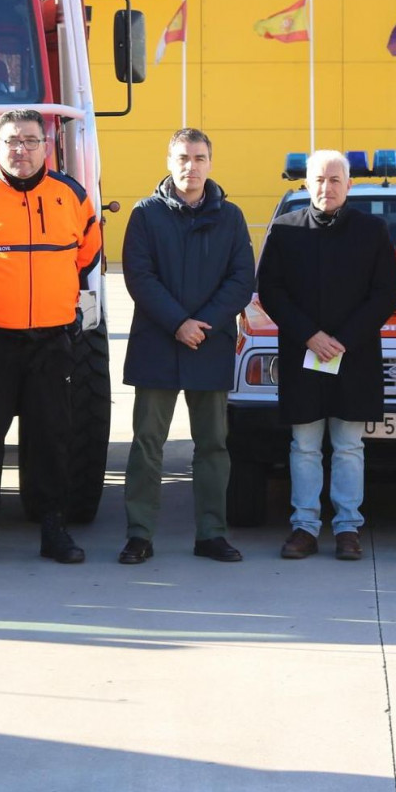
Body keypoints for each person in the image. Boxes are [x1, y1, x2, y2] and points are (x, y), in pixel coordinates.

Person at [0, 108, 102, 566]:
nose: (22, 150)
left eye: (30, 140)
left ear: (45, 146)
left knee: (52, 436)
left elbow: (87, 253)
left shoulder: (71, 194)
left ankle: (54, 529)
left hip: (52, 339)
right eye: (12, 141)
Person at [118, 128, 255, 565]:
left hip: (209, 345)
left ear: (210, 162)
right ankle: (140, 534)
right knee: (146, 444)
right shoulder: (145, 215)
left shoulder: (231, 217)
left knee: (213, 444)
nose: (190, 167)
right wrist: (178, 323)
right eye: (182, 157)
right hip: (157, 344)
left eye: (199, 158)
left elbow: (241, 280)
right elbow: (139, 276)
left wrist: (205, 323)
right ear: (169, 161)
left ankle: (211, 534)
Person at [256, 149, 396, 560]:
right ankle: (304, 527)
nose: (326, 187)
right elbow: (271, 291)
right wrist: (311, 336)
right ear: (306, 184)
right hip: (304, 354)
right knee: (303, 445)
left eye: (335, 180)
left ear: (349, 185)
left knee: (349, 446)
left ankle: (347, 528)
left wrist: (344, 339)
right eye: (319, 179)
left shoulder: (371, 231)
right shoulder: (285, 230)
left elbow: (384, 293)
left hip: (353, 356)